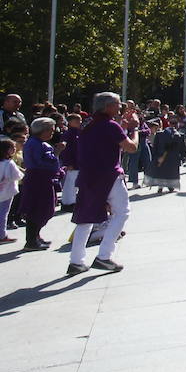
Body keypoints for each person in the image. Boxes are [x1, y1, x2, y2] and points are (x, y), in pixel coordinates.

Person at [69, 93, 140, 274]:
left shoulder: (88, 125)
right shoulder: (110, 125)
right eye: (117, 104)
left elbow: (108, 139)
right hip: (109, 176)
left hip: (87, 176)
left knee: (86, 218)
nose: (120, 107)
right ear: (107, 106)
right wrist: (134, 129)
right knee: (122, 212)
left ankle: (76, 260)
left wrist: (122, 125)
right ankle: (104, 256)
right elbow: (131, 147)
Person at [17, 119, 61, 250]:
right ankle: (31, 241)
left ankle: (35, 236)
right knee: (37, 209)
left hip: (43, 179)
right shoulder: (35, 144)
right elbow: (37, 163)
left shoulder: (38, 143)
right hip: (38, 179)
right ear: (44, 130)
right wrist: (56, 154)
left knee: (44, 208)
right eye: (51, 130)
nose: (52, 133)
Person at [147, 119, 184, 194]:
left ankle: (161, 187)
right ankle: (170, 186)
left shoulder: (159, 134)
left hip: (161, 156)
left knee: (161, 172)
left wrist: (155, 156)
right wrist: (182, 157)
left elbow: (155, 146)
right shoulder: (179, 135)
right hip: (173, 158)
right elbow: (182, 148)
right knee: (170, 172)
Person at [0, 138, 21, 244]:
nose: (14, 149)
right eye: (12, 147)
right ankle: (2, 235)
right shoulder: (9, 163)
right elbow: (16, 176)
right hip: (7, 192)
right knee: (3, 214)